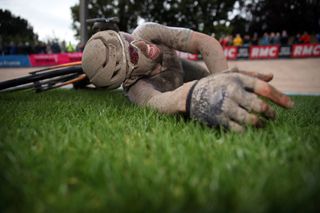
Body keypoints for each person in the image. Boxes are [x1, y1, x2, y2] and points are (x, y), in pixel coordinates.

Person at [81, 22, 294, 132]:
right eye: (134, 54)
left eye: (127, 38)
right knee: (204, 81)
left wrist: (224, 77)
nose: (140, 44)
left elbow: (205, 43)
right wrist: (198, 93)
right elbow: (166, 101)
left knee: (214, 77)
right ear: (128, 76)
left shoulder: (146, 31)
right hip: (173, 82)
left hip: (179, 68)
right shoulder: (137, 89)